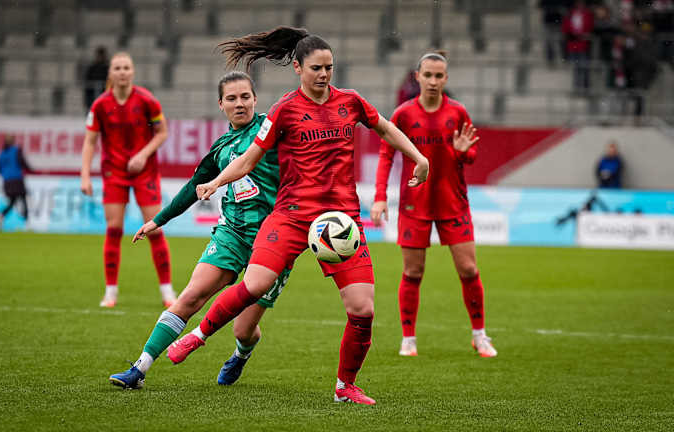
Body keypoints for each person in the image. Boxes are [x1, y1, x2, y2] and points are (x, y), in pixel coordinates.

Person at [166, 26, 430, 406]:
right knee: (254, 285)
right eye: (317, 68)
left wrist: (419, 157)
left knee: (363, 309)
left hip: (339, 223)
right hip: (290, 216)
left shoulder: (351, 102)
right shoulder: (285, 110)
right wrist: (216, 182)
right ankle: (198, 336)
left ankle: (345, 386)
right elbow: (249, 159)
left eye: (329, 68)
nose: (324, 75)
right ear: (297, 68)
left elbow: (387, 129)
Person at [108, 71, 292, 390]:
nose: (239, 104)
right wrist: (157, 221)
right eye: (231, 99)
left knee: (242, 329)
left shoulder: (272, 129)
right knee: (191, 296)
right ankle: (139, 368)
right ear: (220, 104)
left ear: (255, 99)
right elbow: (194, 187)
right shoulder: (221, 148)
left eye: (245, 97)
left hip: (275, 239)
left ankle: (240, 354)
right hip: (232, 233)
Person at [370, 51, 498, 359]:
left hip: (453, 203)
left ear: (446, 79)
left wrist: (465, 153)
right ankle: (408, 338)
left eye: (439, 76)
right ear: (417, 77)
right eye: (428, 75)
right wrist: (379, 196)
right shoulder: (402, 115)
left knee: (468, 269)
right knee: (413, 273)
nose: (433, 81)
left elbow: (469, 156)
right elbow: (387, 156)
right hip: (415, 204)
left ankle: (480, 335)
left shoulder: (458, 112)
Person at [80, 51, 177, 308]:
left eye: (126, 68)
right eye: (117, 68)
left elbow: (162, 132)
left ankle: (167, 292)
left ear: (132, 72)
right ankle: (110, 292)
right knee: (113, 230)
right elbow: (90, 141)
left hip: (144, 171)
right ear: (111, 73)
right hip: (114, 173)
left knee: (154, 229)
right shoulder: (100, 105)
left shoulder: (147, 100)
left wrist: (143, 155)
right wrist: (85, 175)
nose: (122, 72)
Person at [0, 135, 31, 230]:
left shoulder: (2, 153)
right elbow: (23, 162)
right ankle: (27, 223)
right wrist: (32, 170)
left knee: (12, 202)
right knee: (23, 200)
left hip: (7, 181)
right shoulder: (16, 150)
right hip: (17, 179)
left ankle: (1, 216)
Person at [84, 46, 109, 112]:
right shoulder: (92, 67)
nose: (100, 57)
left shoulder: (107, 67)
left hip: (104, 94)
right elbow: (87, 81)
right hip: (92, 95)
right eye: (99, 55)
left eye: (101, 55)